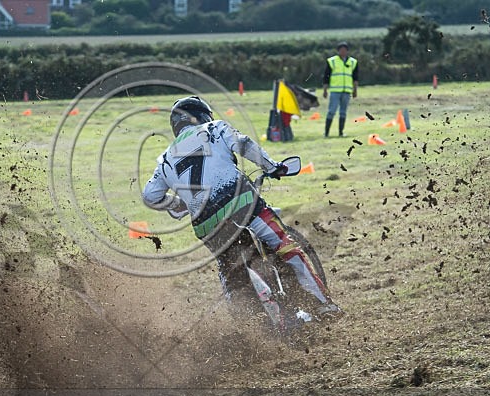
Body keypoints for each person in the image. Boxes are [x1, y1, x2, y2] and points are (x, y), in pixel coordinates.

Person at [142, 96, 339, 325]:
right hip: (243, 204)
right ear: (203, 116)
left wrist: (180, 205)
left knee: (230, 272)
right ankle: (323, 304)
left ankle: (247, 328)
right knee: (284, 245)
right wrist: (273, 167)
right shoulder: (214, 128)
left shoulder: (165, 159)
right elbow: (244, 145)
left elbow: (150, 196)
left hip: (206, 224)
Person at [322, 42, 359, 138]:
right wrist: (325, 90)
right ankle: (326, 133)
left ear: (347, 51)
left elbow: (355, 78)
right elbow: (326, 77)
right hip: (335, 91)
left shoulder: (353, 62)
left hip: (347, 91)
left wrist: (355, 90)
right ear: (338, 51)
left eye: (345, 50)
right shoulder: (332, 61)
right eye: (341, 50)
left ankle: (341, 132)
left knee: (343, 112)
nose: (343, 51)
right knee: (331, 111)